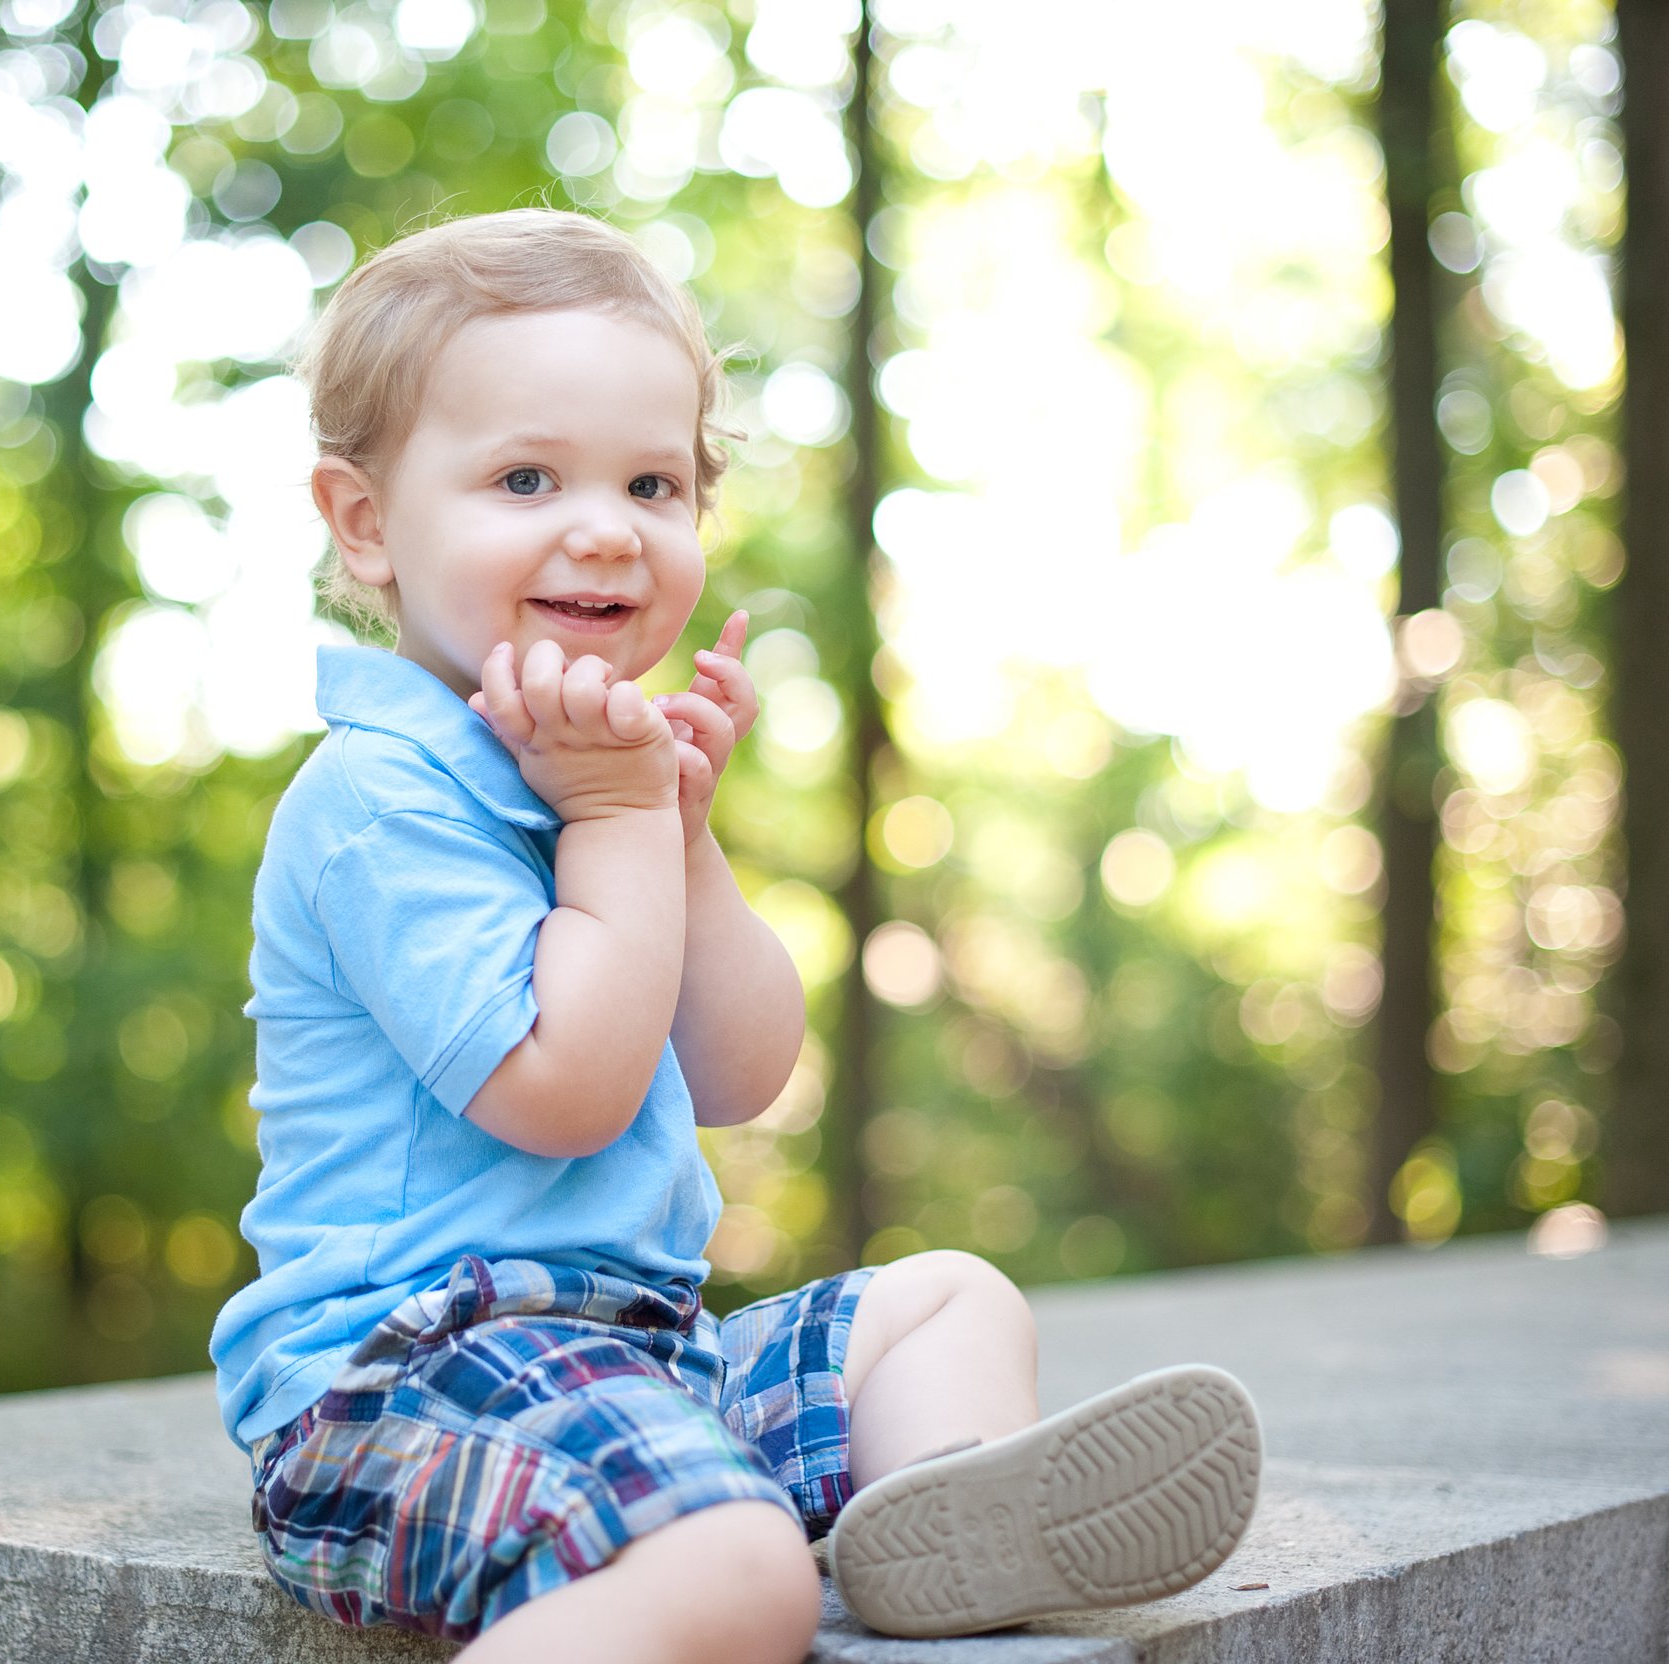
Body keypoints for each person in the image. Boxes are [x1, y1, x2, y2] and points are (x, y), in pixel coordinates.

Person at [209, 208, 1263, 1664]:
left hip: (640, 1352)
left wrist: (681, 837)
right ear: (367, 523)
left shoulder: (604, 773)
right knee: (738, 1575)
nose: (606, 526)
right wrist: (625, 823)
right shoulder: (377, 796)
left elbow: (740, 1072)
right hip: (401, 1382)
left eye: (655, 481)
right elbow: (567, 1094)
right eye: (526, 477)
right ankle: (750, 1550)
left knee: (947, 1301)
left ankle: (938, 1525)